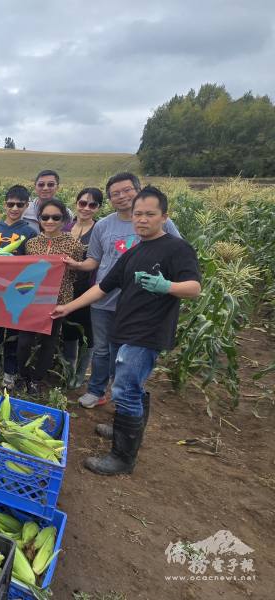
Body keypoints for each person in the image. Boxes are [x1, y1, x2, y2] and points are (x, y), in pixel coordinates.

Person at [52, 186, 201, 475]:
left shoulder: (177, 248)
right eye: (138, 214)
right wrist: (67, 308)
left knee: (125, 388)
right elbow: (102, 287)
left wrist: (167, 286)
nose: (142, 219)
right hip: (124, 326)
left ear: (164, 216)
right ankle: (127, 429)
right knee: (130, 385)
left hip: (147, 331)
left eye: (150, 214)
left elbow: (194, 288)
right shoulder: (134, 252)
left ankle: (122, 457)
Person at [64, 172, 181, 409]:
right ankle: (97, 391)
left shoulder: (160, 224)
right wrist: (76, 265)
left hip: (140, 303)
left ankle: (124, 399)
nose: (122, 196)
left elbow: (176, 255)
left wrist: (166, 286)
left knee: (127, 354)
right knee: (102, 350)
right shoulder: (103, 226)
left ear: (138, 190)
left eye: (127, 190)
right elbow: (95, 260)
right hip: (104, 298)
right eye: (115, 193)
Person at [16, 198, 84, 395]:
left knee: (49, 341)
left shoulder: (73, 244)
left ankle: (36, 379)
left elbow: (75, 274)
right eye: (45, 217)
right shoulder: (32, 244)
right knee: (24, 341)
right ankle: (22, 375)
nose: (50, 221)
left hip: (58, 301)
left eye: (56, 217)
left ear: (64, 219)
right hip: (32, 300)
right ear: (39, 219)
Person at [0, 185, 38, 388]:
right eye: (11, 204)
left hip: (17, 292)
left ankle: (9, 372)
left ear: (26, 206)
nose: (14, 208)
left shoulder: (30, 233)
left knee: (13, 335)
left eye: (19, 205)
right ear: (4, 204)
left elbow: (33, 265)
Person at [60, 187, 103, 387]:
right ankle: (69, 371)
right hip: (66, 287)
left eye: (92, 205)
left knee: (87, 333)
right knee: (69, 330)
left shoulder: (99, 230)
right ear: (76, 204)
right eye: (83, 203)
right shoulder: (65, 228)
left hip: (89, 288)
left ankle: (80, 374)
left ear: (98, 208)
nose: (86, 208)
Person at [23, 169, 61, 234]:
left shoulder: (66, 213)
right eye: (41, 184)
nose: (45, 188)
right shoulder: (24, 210)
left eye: (50, 184)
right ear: (35, 187)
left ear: (57, 187)